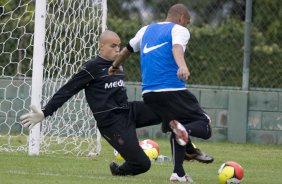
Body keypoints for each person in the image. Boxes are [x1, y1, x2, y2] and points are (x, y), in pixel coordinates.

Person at [20, 30, 162, 176]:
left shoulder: (118, 64)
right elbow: (67, 90)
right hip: (112, 123)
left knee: (165, 109)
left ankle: (182, 144)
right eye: (113, 46)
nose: (118, 49)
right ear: (101, 47)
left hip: (128, 111)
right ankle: (119, 170)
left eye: (119, 46)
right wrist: (45, 112)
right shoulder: (92, 67)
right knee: (143, 164)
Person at [109, 4, 212, 182]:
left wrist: (114, 66)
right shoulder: (179, 30)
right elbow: (177, 48)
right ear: (181, 18)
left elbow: (127, 50)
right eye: (186, 22)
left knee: (176, 125)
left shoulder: (145, 30)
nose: (186, 26)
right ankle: (185, 135)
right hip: (172, 89)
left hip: (149, 93)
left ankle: (178, 173)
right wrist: (182, 65)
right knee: (205, 125)